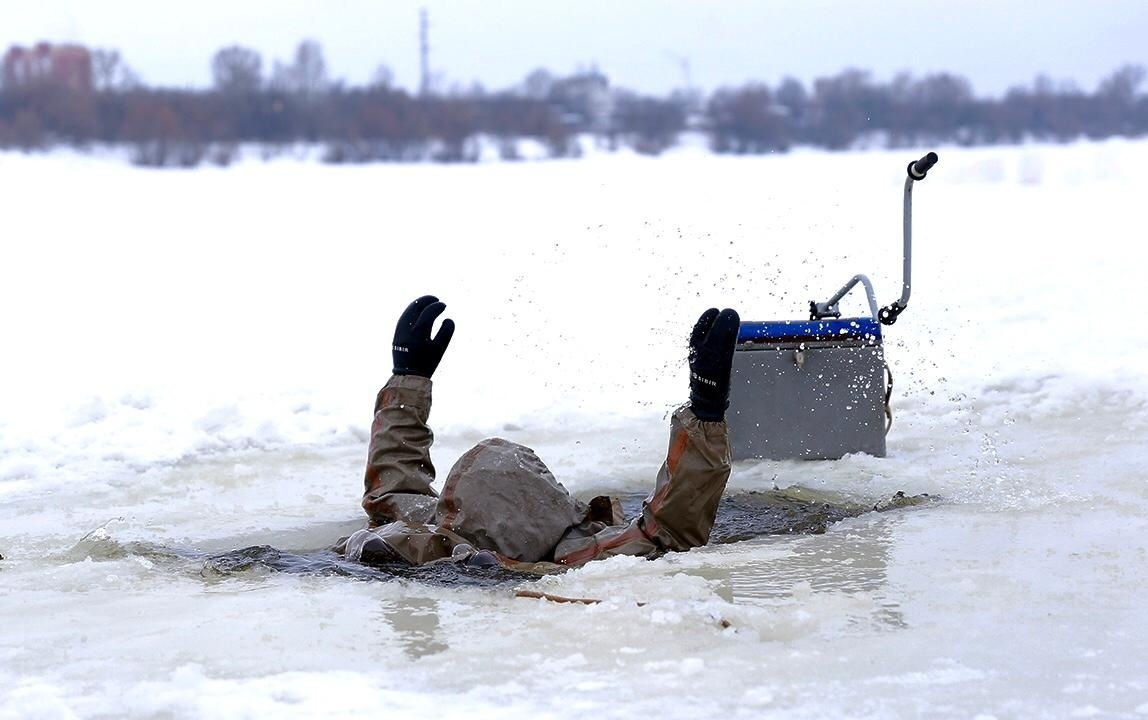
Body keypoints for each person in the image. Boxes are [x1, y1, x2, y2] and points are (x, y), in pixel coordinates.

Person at [335, 295, 741, 573]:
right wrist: (704, 412)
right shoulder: (579, 553)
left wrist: (407, 378)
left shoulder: (438, 537)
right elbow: (667, 534)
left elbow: (391, 493)